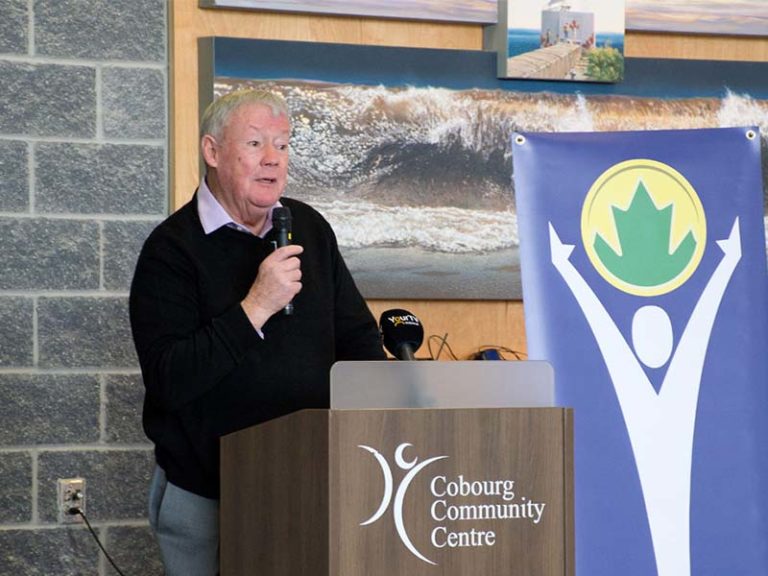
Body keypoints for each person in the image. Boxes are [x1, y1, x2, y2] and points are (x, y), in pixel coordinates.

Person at [129, 89, 386, 576]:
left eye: (283, 145)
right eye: (254, 144)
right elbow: (170, 379)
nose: (273, 160)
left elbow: (358, 340)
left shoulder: (309, 228)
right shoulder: (172, 250)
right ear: (212, 151)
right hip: (209, 492)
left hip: (309, 480)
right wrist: (256, 306)